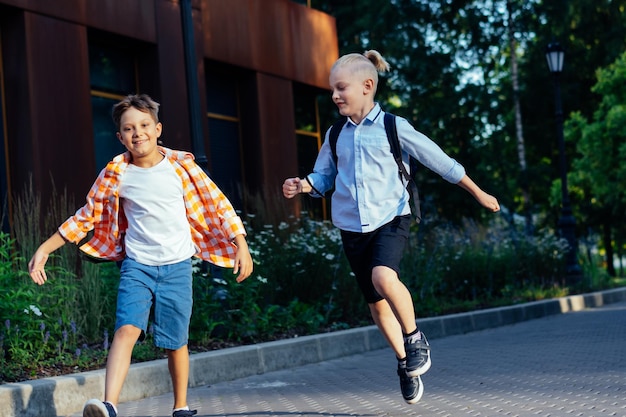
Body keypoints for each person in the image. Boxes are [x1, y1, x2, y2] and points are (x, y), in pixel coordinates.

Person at [282, 50, 500, 404]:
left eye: (341, 88)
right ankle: (404, 361)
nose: (335, 96)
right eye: (332, 90)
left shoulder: (392, 127)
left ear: (367, 86)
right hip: (352, 227)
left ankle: (415, 339)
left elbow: (438, 160)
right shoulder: (336, 134)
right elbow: (324, 176)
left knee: (384, 278)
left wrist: (477, 192)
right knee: (376, 305)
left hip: (392, 218)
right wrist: (303, 185)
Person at [28, 94, 253, 417]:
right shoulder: (117, 173)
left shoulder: (182, 168)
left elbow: (219, 204)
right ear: (120, 137)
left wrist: (240, 243)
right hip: (137, 266)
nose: (138, 133)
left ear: (158, 128)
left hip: (176, 266)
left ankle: (180, 407)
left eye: (145, 125)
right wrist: (45, 249)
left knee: (175, 341)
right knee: (126, 329)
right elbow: (85, 216)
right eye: (129, 129)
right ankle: (109, 405)